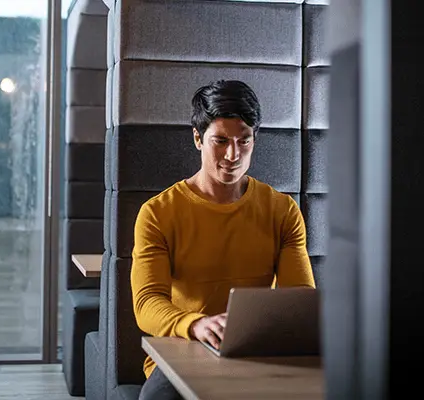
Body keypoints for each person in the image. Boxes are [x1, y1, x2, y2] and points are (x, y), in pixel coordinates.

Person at [131, 80, 316, 400]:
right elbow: (147, 304)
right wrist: (196, 325)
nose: (234, 154)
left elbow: (300, 298)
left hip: (259, 351)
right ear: (197, 138)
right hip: (184, 349)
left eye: (244, 141)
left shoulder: (283, 210)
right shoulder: (158, 213)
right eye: (221, 140)